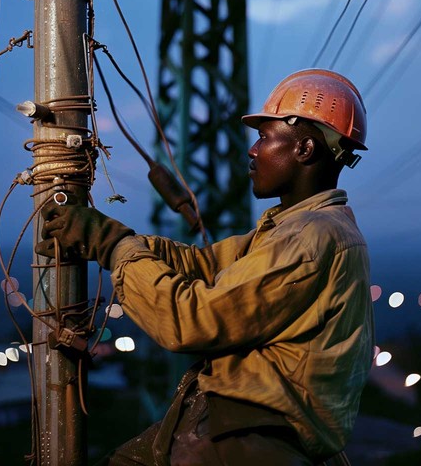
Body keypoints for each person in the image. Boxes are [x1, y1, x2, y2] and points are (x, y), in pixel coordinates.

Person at [36, 69, 375, 465]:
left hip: (251, 437)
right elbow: (203, 264)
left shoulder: (312, 237)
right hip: (238, 425)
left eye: (265, 138)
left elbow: (192, 320)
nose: (252, 150)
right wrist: (110, 236)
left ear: (304, 150)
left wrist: (113, 246)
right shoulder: (289, 228)